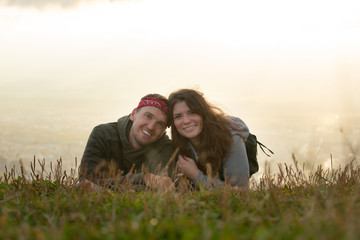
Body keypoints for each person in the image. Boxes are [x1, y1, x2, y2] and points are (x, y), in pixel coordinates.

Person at [77, 93, 177, 191]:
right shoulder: (104, 134)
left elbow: (160, 189)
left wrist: (103, 190)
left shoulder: (165, 148)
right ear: (133, 114)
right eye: (148, 116)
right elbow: (87, 182)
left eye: (160, 124)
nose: (151, 127)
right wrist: (143, 178)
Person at [168, 89, 250, 189]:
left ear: (204, 113)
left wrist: (195, 175)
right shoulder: (179, 144)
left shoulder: (231, 139)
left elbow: (241, 193)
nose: (186, 121)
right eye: (178, 116)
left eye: (192, 113)